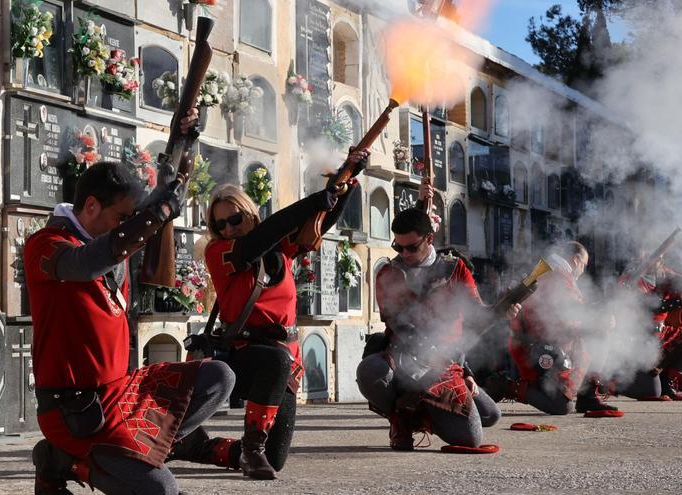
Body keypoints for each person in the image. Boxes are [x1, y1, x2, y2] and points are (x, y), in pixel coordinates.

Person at [26, 107, 237, 495]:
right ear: (90, 207)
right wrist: (153, 213)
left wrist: (185, 141)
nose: (128, 227)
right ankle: (61, 459)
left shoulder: (113, 237)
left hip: (122, 392)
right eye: (121, 217)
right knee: (162, 492)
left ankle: (156, 446)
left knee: (219, 377)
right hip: (75, 410)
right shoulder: (47, 244)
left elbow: (167, 198)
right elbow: (86, 264)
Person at [190, 148, 369, 480]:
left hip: (285, 358)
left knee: (277, 458)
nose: (228, 228)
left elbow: (317, 225)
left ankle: (201, 448)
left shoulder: (278, 249)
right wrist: (316, 199)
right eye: (220, 224)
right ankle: (250, 451)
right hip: (243, 357)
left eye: (234, 219)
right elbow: (265, 234)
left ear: (249, 213)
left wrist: (347, 183)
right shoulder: (220, 252)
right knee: (274, 364)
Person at [356, 190, 518, 450]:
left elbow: (477, 313)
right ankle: (402, 418)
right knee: (370, 371)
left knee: (484, 423)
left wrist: (503, 312)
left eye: (411, 247)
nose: (404, 254)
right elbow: (398, 323)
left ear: (429, 239)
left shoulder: (455, 267)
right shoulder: (388, 273)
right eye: (398, 246)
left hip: (447, 361)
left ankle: (423, 410)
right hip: (404, 357)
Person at [485, 241, 621, 417]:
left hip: (550, 343)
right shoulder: (558, 276)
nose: (583, 270)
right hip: (537, 347)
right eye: (584, 265)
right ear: (576, 260)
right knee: (560, 406)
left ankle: (587, 395)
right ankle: (507, 386)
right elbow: (564, 317)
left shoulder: (556, 273)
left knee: (598, 333)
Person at [619, 257, 682, 401]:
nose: (660, 257)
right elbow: (645, 306)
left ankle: (668, 380)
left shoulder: (663, 272)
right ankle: (611, 383)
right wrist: (678, 302)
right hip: (638, 338)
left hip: (659, 333)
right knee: (652, 392)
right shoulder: (631, 275)